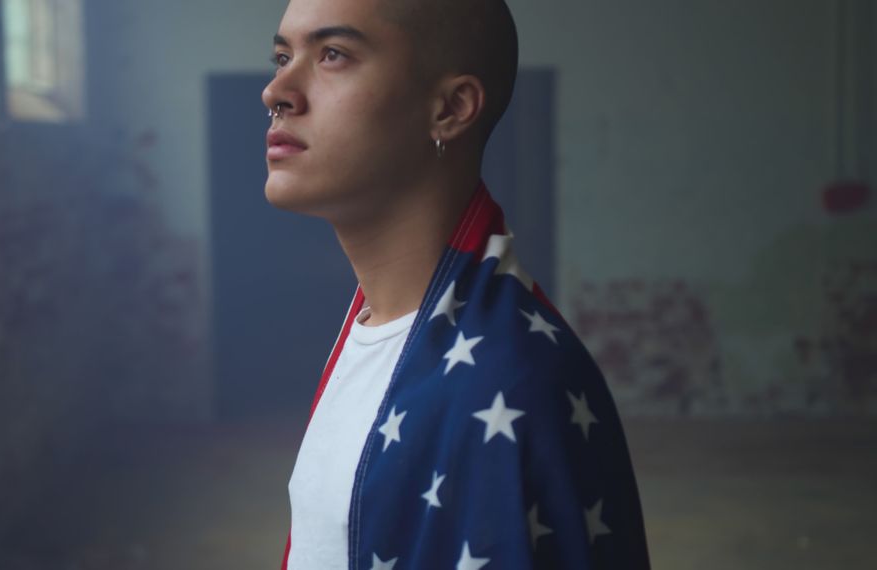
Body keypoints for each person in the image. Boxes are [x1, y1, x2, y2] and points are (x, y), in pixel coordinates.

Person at [261, 0, 651, 568]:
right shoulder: (376, 325)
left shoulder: (512, 381)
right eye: (281, 56)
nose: (277, 91)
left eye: (333, 55)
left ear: (451, 108)